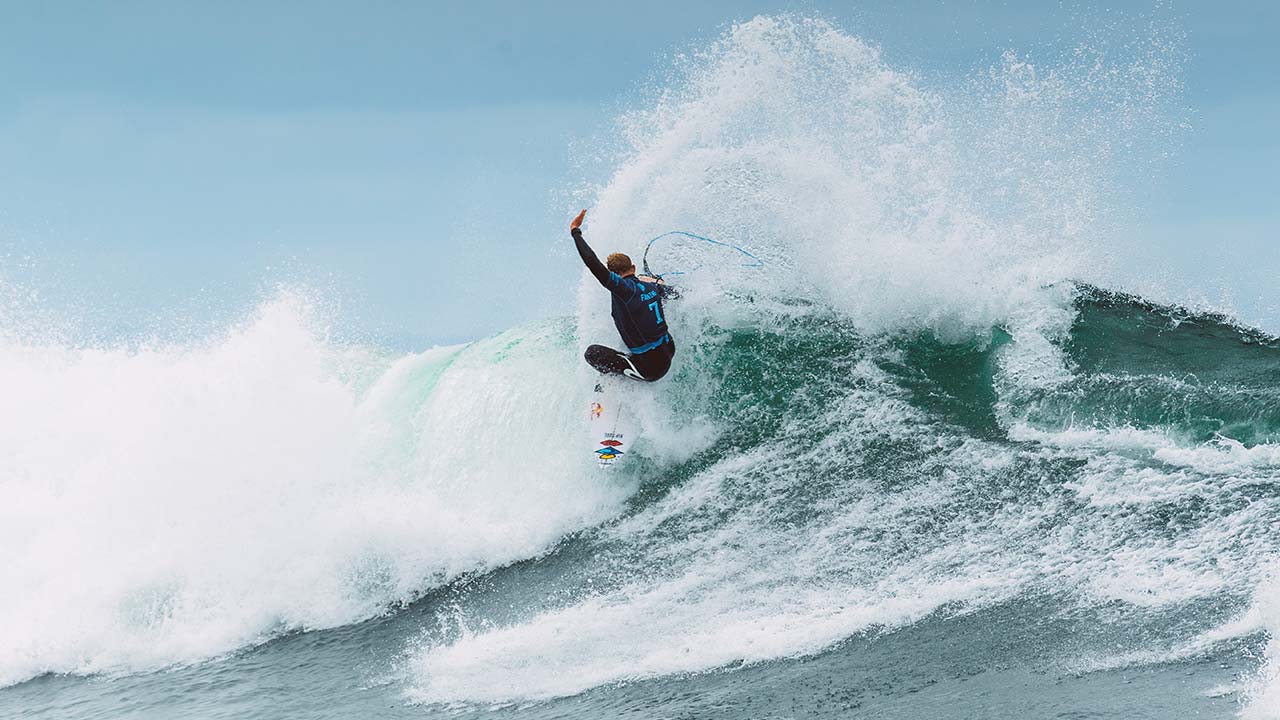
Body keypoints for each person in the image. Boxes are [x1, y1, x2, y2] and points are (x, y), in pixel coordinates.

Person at [570, 209, 675, 381]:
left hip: (651, 369)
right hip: (669, 349)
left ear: (614, 274)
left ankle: (606, 390)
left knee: (592, 353)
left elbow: (592, 262)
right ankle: (627, 364)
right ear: (633, 267)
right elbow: (673, 293)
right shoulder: (652, 287)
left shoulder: (623, 289)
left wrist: (575, 231)